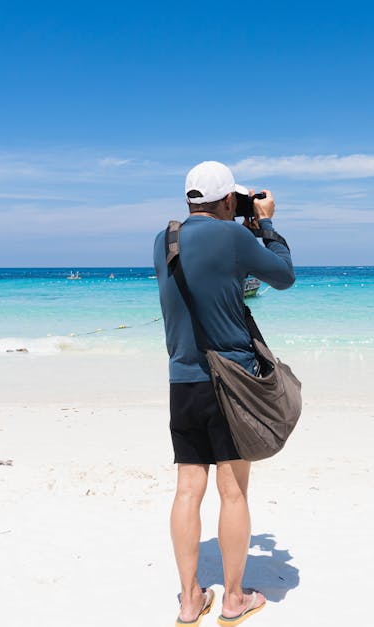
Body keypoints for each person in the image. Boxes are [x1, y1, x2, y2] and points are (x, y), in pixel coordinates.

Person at [152, 161, 295, 626]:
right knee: (233, 492)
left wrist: (241, 223)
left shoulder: (163, 241)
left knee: (188, 489)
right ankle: (234, 599)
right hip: (230, 380)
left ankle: (191, 600)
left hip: (183, 381)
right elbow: (283, 277)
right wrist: (266, 225)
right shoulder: (235, 238)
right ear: (229, 201)